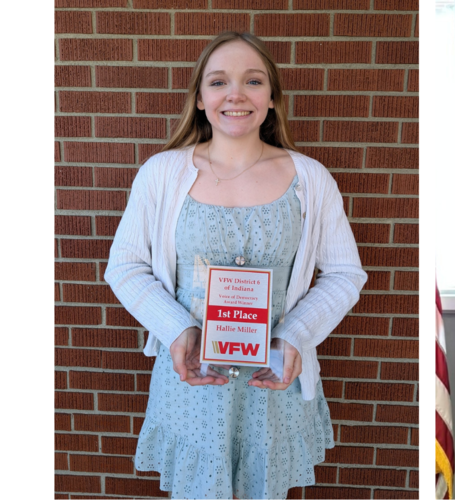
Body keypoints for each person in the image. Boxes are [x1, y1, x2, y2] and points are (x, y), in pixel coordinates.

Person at [104, 31, 367, 499]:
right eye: (219, 82)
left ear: (271, 98)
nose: (236, 95)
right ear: (201, 99)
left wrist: (297, 334)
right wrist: (177, 329)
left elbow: (346, 274)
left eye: (253, 81)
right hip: (193, 381)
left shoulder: (310, 179)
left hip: (273, 385)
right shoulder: (163, 173)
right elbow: (125, 266)